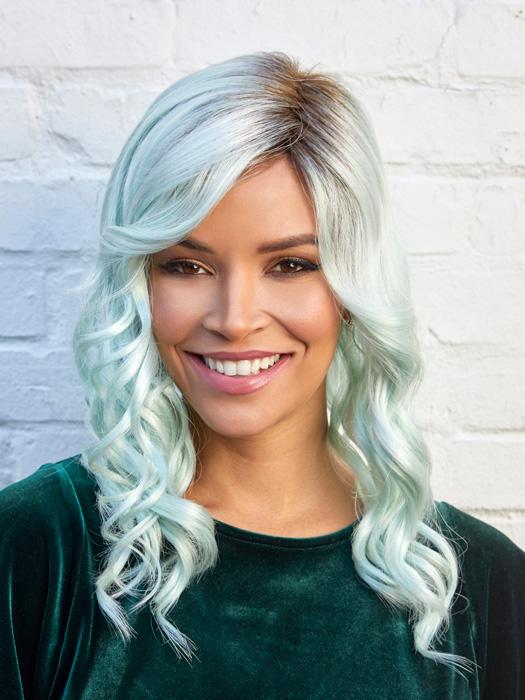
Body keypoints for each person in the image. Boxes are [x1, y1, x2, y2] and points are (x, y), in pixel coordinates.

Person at [0, 51, 523, 700]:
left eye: (290, 265)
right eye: (186, 265)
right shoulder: (34, 551)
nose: (235, 319)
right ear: (140, 283)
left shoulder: (482, 587)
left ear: (352, 288)